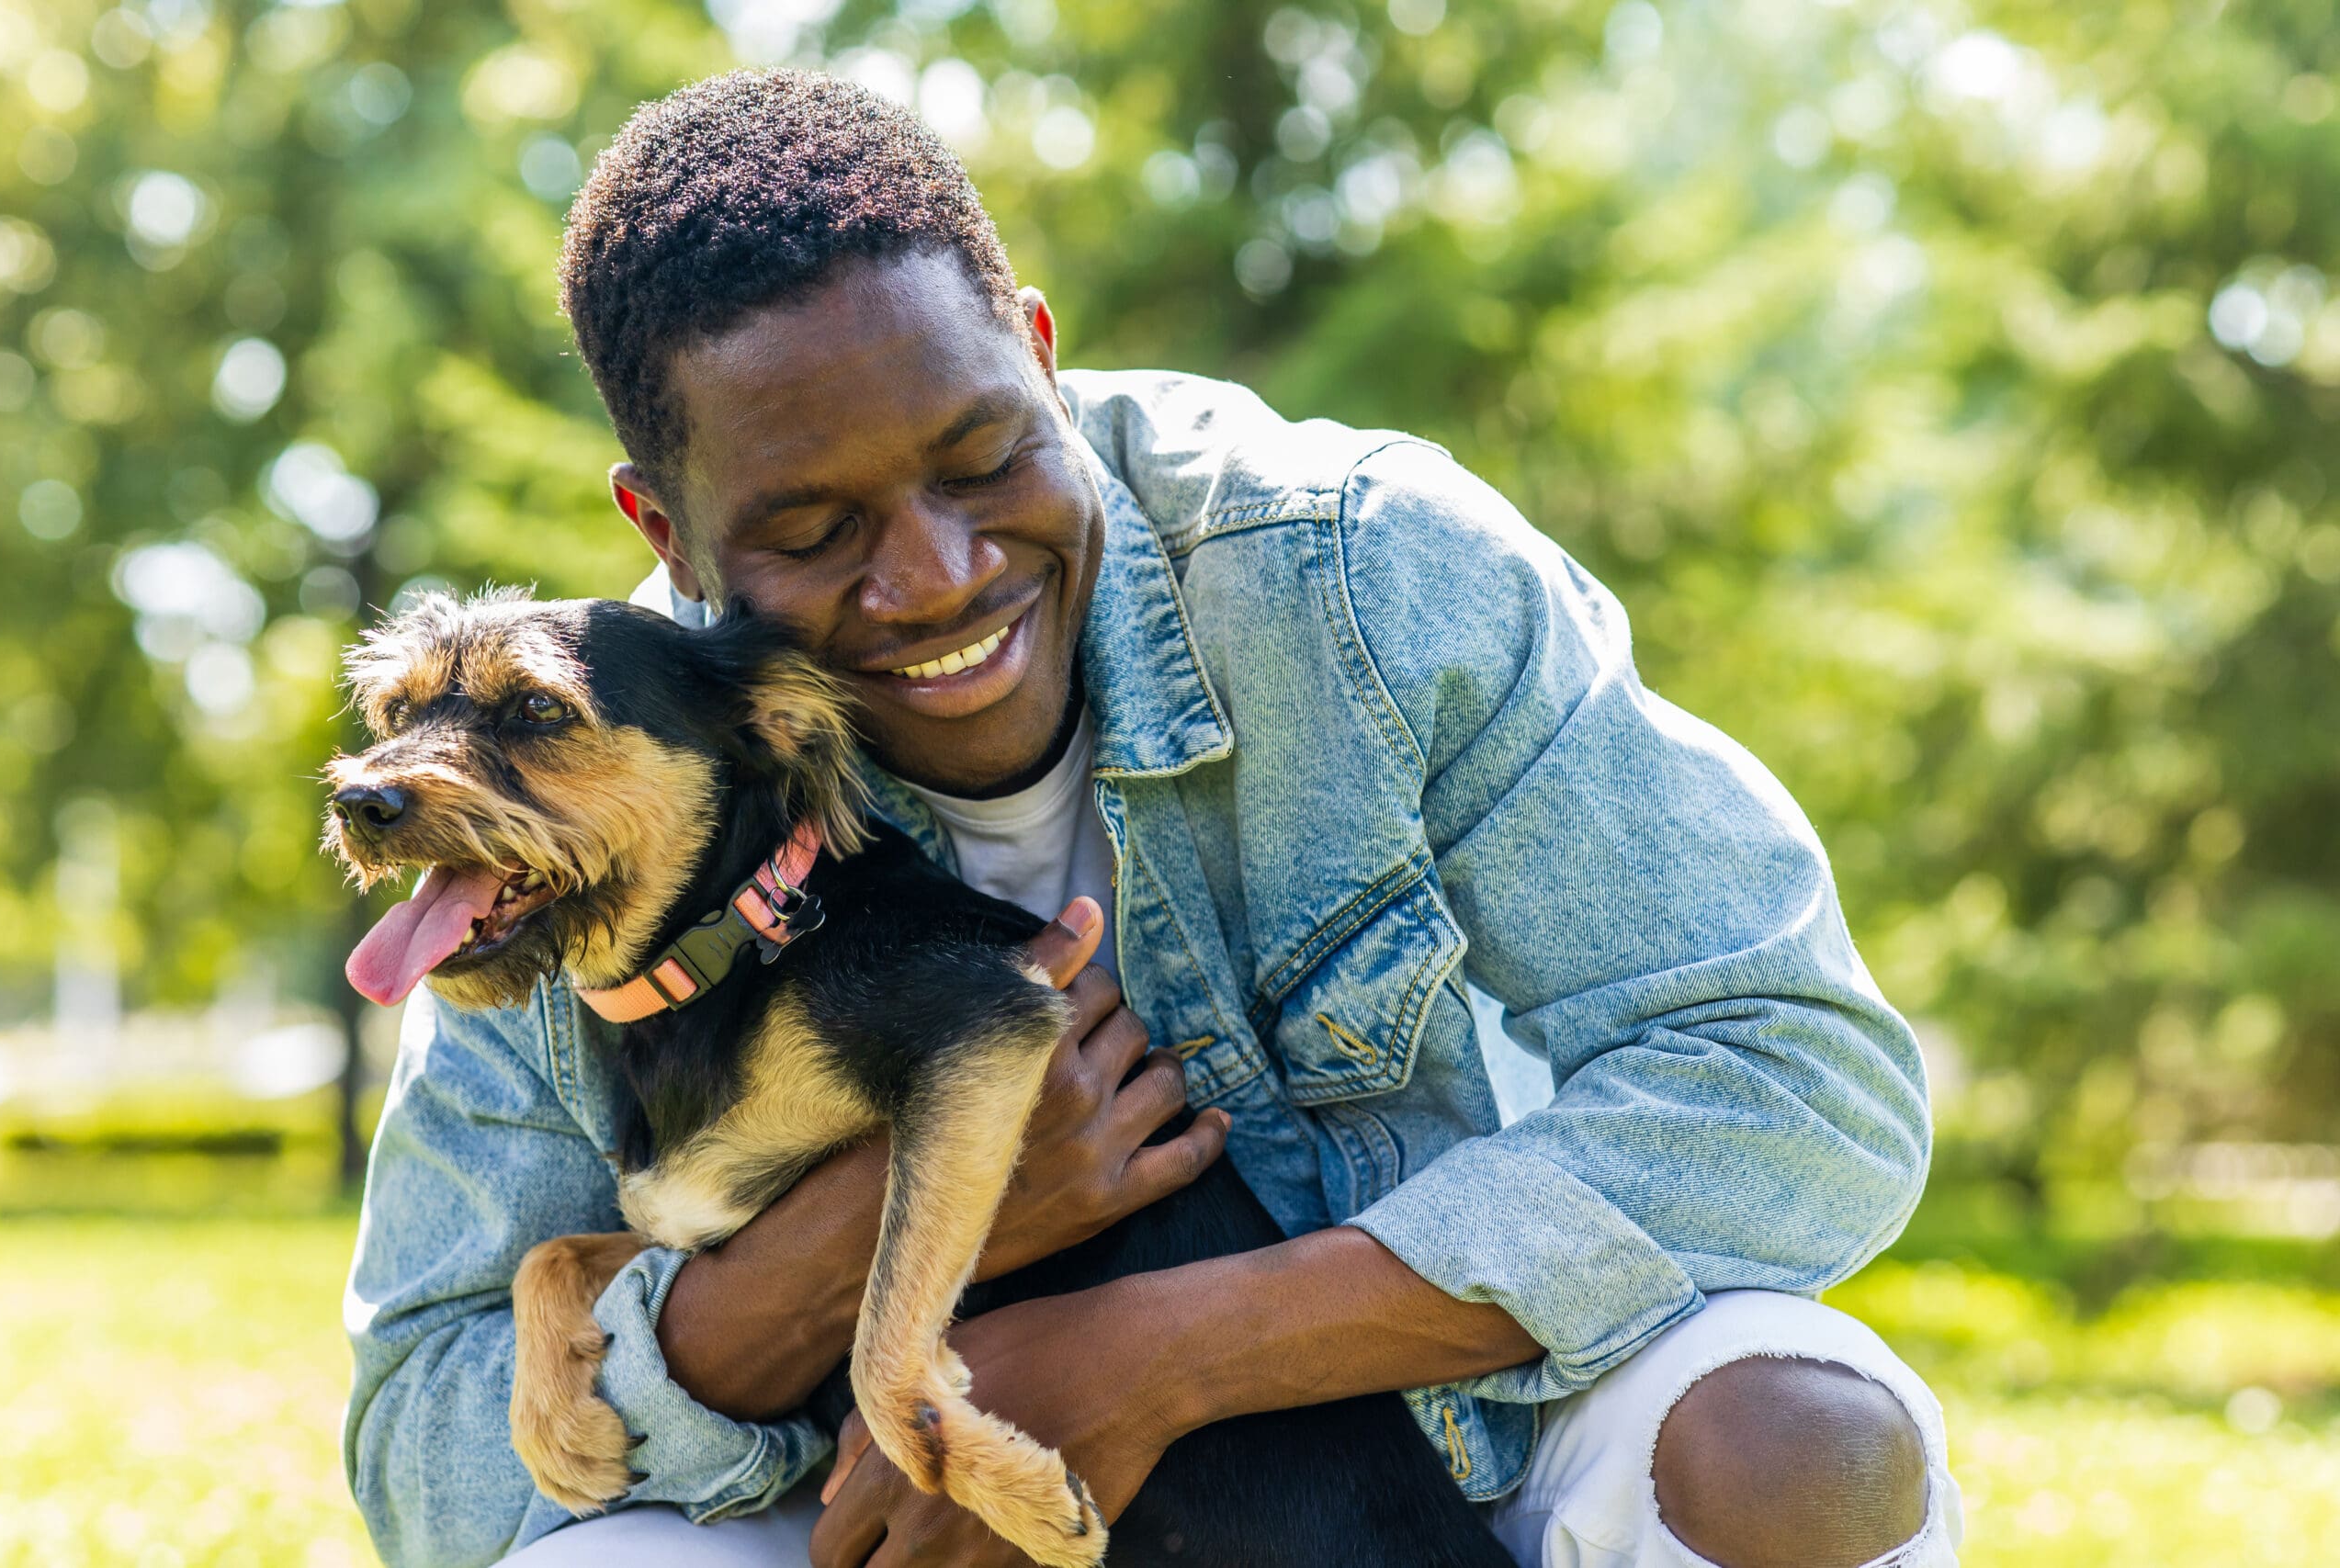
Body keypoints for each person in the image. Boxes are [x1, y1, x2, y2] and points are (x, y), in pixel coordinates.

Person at [342, 69, 1962, 1568]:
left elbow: (1799, 1087)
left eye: (984, 459)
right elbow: (423, 1434)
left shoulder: (1360, 569)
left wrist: (1153, 1354)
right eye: (818, 528)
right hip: (886, 1507)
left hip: (1442, 1444)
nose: (939, 578)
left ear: (1040, 350)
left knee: (1797, 1446)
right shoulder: (590, 772)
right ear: (668, 529)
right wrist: (846, 1261)